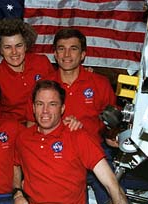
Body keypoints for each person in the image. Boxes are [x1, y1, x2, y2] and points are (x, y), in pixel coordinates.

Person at [25, 28, 119, 203]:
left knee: (113, 192)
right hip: (56, 155)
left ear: (83, 54)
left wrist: (110, 135)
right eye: (61, 48)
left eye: (73, 48)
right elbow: (31, 125)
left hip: (95, 151)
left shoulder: (99, 83)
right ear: (54, 53)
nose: (67, 54)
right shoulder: (44, 87)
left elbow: (111, 125)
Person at [13, 80, 127, 204]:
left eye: (52, 104)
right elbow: (15, 164)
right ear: (34, 108)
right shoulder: (23, 138)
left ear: (62, 109)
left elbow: (112, 185)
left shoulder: (77, 136)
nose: (45, 110)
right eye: (40, 104)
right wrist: (18, 194)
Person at [0, 18, 56, 123]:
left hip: (47, 122)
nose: (14, 52)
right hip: (15, 128)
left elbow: (59, 90)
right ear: (0, 49)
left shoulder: (41, 62)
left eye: (19, 45)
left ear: (26, 45)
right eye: (7, 47)